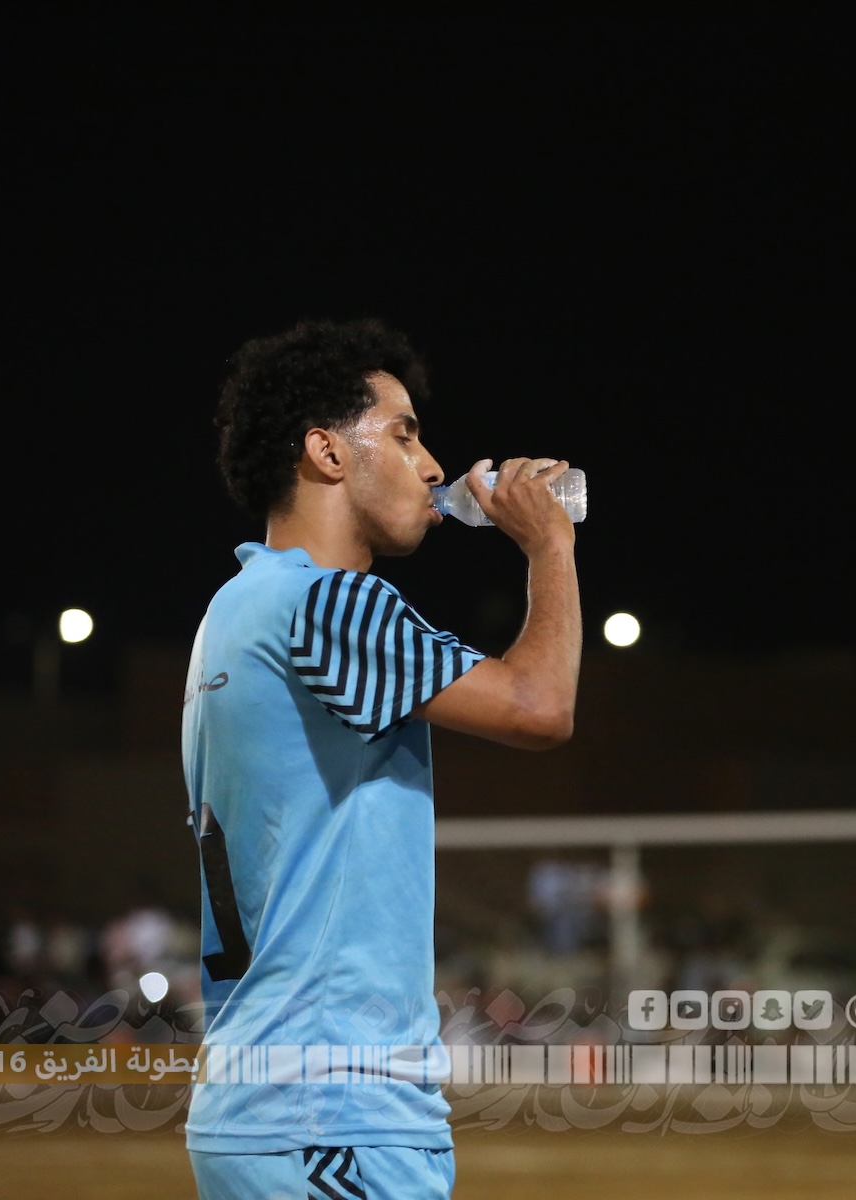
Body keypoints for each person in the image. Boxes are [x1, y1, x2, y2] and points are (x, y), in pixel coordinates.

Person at [184, 319, 582, 1200]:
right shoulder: (329, 604)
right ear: (326, 451)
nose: (433, 466)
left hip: (271, 1103)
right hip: (332, 1112)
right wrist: (550, 547)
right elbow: (539, 708)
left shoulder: (233, 609)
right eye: (404, 435)